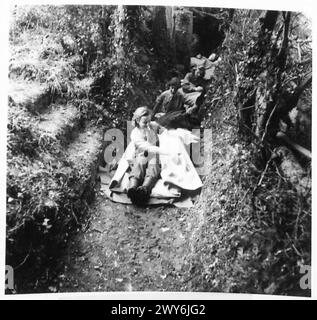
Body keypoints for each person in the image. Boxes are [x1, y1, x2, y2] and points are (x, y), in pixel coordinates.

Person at [127, 106, 179, 205]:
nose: (147, 125)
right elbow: (146, 147)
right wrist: (164, 151)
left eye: (149, 121)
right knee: (139, 164)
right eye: (144, 123)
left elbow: (165, 132)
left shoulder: (153, 125)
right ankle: (132, 188)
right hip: (142, 153)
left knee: (153, 165)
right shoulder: (135, 133)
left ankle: (145, 189)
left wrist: (168, 136)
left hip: (155, 154)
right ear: (137, 121)